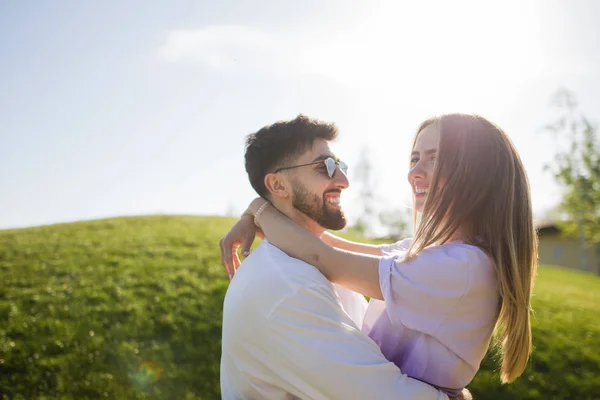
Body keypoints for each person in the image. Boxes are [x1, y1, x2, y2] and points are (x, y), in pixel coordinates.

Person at [224, 113, 537, 397]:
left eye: (434, 158)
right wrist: (259, 213)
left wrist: (260, 209)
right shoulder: (423, 254)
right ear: (277, 183)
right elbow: (331, 249)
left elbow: (325, 257)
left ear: (477, 172)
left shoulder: (462, 267)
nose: (415, 171)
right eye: (415, 158)